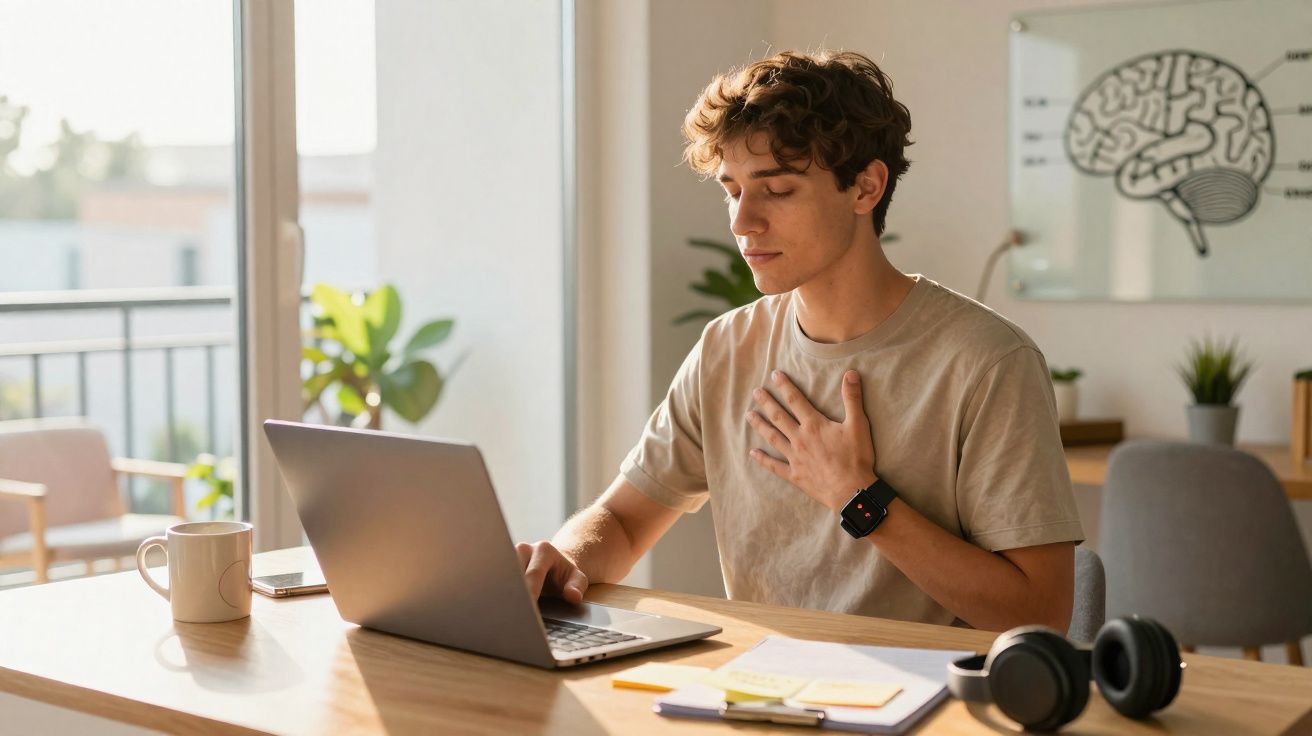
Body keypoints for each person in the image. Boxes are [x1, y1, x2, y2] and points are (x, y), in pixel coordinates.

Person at [517, 49, 1083, 631]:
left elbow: (1040, 613)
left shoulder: (988, 362)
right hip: (760, 690)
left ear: (866, 188)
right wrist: (564, 562)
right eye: (732, 190)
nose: (742, 222)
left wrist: (857, 496)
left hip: (927, 703)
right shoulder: (726, 348)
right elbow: (625, 520)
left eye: (777, 190)